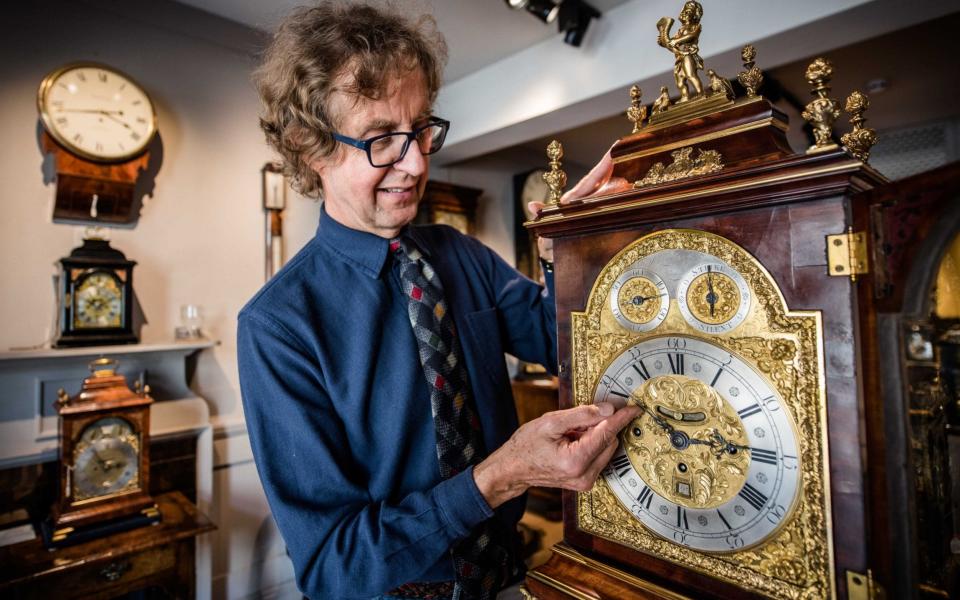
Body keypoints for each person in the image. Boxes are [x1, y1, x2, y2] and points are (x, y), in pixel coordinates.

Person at [237, 3, 638, 599]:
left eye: (421, 130)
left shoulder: (460, 254)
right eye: (381, 140)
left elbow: (566, 345)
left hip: (510, 575)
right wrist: (498, 479)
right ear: (311, 146)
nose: (417, 162)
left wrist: (569, 254)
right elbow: (332, 566)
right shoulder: (277, 326)